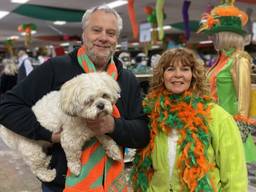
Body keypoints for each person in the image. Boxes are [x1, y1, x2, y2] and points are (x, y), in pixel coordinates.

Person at [0, 5, 149, 192]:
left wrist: (113, 126)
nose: (103, 37)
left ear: (116, 39)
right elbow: (7, 107)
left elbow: (142, 133)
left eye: (110, 33)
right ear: (84, 34)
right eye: (96, 30)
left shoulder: (126, 79)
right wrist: (49, 135)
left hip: (112, 182)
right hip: (63, 184)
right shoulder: (55, 68)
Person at [131, 48, 247, 191]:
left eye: (185, 69)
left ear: (193, 75)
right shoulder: (150, 113)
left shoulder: (217, 116)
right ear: (162, 75)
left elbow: (235, 174)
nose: (178, 75)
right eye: (170, 69)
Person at [198, 0, 256, 163]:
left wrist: (239, 132)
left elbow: (244, 101)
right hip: (212, 124)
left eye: (215, 34)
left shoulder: (239, 60)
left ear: (225, 35)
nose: (212, 37)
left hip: (231, 128)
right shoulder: (219, 61)